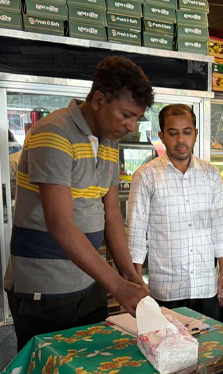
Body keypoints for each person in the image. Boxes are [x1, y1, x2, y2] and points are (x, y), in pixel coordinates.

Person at [8, 56, 151, 351]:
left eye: (136, 117)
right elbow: (59, 225)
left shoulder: (109, 141)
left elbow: (111, 213)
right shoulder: (53, 133)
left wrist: (129, 275)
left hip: (90, 283)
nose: (131, 125)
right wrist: (117, 285)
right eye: (126, 114)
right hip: (46, 289)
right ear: (99, 100)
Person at [127, 104, 223, 321]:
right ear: (162, 136)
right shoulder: (146, 176)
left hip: (205, 286)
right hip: (166, 289)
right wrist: (137, 282)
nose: (181, 140)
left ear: (195, 133)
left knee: (210, 351)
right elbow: (136, 234)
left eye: (186, 132)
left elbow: (219, 228)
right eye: (173, 133)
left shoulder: (212, 175)